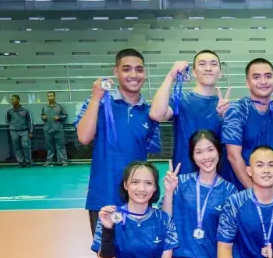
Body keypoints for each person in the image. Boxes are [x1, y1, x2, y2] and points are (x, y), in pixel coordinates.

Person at [75, 48, 161, 236]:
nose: (134, 75)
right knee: (105, 252)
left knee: (138, 253)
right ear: (116, 72)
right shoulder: (99, 103)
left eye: (139, 69)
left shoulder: (150, 112)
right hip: (103, 197)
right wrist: (96, 97)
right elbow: (83, 137)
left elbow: (148, 154)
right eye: (126, 69)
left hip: (137, 200)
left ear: (145, 73)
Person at [149, 50, 231, 177]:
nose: (208, 68)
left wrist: (226, 118)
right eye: (202, 64)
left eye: (213, 64)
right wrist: (170, 77)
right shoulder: (180, 99)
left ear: (220, 73)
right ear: (193, 72)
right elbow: (156, 114)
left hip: (218, 180)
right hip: (184, 177)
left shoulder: (226, 107)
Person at [222, 58, 273, 192]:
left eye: (268, 76)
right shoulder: (237, 110)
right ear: (247, 83)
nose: (263, 81)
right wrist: (255, 192)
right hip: (242, 192)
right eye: (256, 77)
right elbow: (233, 156)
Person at [41, 91, 69, 166]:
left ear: (54, 97)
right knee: (49, 147)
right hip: (47, 129)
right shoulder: (44, 107)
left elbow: (65, 115)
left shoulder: (59, 106)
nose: (50, 97)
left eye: (51, 96)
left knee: (61, 146)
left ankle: (64, 161)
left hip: (58, 129)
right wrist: (43, 117)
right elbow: (42, 115)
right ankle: (49, 161)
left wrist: (59, 117)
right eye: (48, 96)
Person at [6, 94, 33, 167]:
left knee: (25, 146)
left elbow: (29, 121)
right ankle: (21, 162)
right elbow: (8, 120)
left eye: (13, 99)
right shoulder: (9, 111)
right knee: (17, 147)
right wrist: (13, 126)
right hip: (13, 131)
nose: (11, 101)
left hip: (24, 131)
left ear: (18, 100)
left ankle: (28, 161)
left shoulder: (25, 110)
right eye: (11, 100)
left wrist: (30, 131)